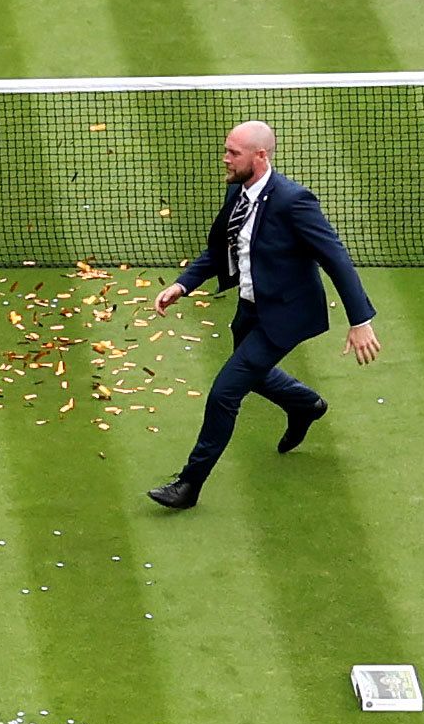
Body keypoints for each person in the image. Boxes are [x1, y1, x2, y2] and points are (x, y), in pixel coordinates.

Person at [147, 121, 380, 510]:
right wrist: (183, 284)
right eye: (226, 149)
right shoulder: (237, 192)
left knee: (225, 393)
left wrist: (360, 320)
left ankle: (189, 485)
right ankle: (305, 404)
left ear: (260, 156)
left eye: (233, 152)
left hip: (285, 316)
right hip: (250, 309)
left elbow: (335, 257)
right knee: (254, 374)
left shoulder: (293, 201)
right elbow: (223, 248)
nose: (225, 158)